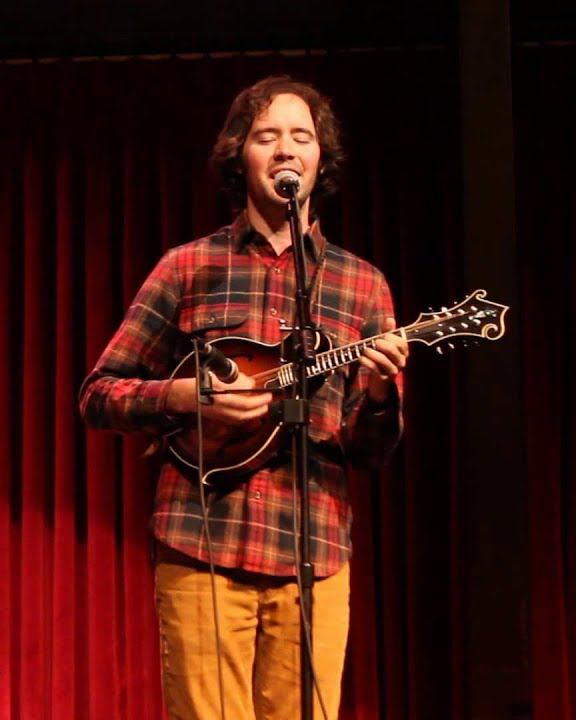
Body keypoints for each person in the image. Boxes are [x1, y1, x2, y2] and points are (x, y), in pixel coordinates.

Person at [78, 76, 408, 720]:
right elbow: (98, 395)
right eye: (267, 136)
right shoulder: (188, 267)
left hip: (312, 554)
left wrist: (375, 393)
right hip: (203, 541)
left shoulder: (363, 285)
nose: (286, 149)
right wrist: (185, 397)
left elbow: (371, 452)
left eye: (301, 137)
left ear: (320, 158)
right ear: (241, 155)